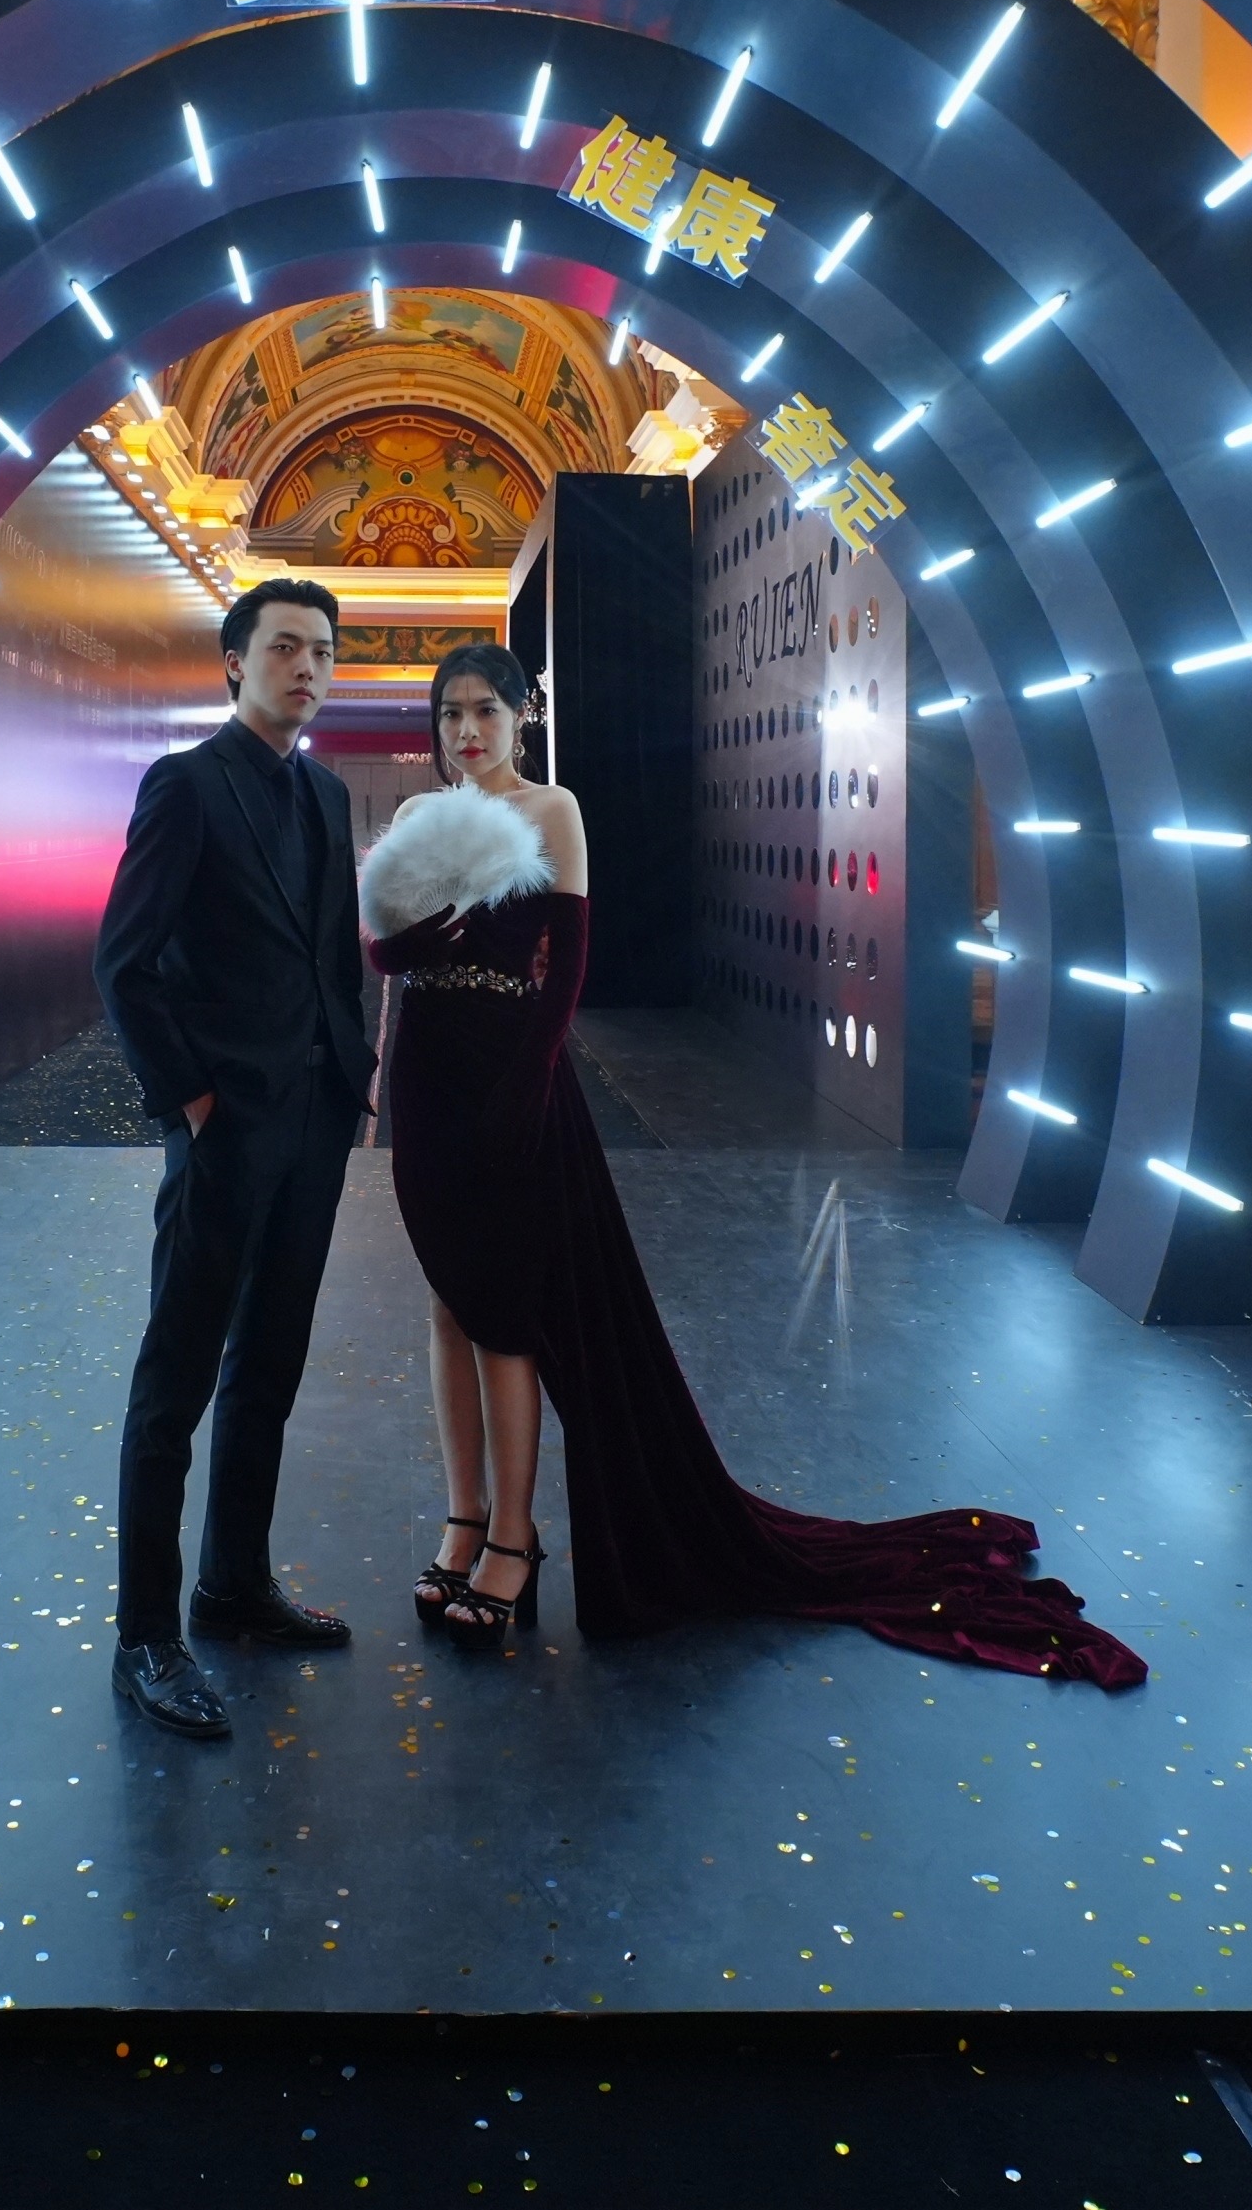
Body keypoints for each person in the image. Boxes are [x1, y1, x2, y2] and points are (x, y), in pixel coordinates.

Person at [360, 639, 1143, 1687]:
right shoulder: (420, 815)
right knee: (448, 1304)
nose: (467, 731)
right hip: (429, 1077)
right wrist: (419, 958)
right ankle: (462, 1520)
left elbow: (569, 972)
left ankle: (514, 1538)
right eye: (451, 713)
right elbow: (384, 956)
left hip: (513, 1078)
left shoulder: (553, 812)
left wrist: (524, 1091)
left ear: (519, 718)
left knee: (505, 1312)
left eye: (486, 712)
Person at [92, 575, 378, 1739]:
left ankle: (235, 1585)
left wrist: (351, 1074)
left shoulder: (325, 791)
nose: (308, 668)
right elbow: (124, 962)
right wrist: (193, 1101)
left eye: (323, 651)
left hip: (313, 1121)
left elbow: (335, 957)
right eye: (286, 648)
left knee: (269, 1362)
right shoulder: (186, 785)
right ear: (234, 662)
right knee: (177, 1378)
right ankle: (145, 1638)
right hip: (226, 1126)